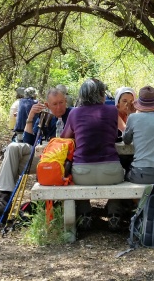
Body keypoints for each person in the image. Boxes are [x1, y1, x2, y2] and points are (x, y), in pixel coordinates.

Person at [0, 87, 71, 226]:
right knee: (12, 149)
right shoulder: (45, 117)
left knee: (10, 163)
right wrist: (31, 116)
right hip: (41, 157)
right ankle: (0, 204)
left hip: (61, 161)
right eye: (55, 104)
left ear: (65, 101)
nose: (59, 107)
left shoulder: (73, 114)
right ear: (48, 105)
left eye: (61, 102)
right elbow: (28, 142)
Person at [59, 78, 124, 230]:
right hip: (111, 172)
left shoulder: (74, 113)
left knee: (74, 178)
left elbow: (64, 137)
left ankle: (85, 213)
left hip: (82, 173)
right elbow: (115, 134)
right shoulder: (112, 111)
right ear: (101, 94)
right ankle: (114, 213)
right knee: (125, 173)